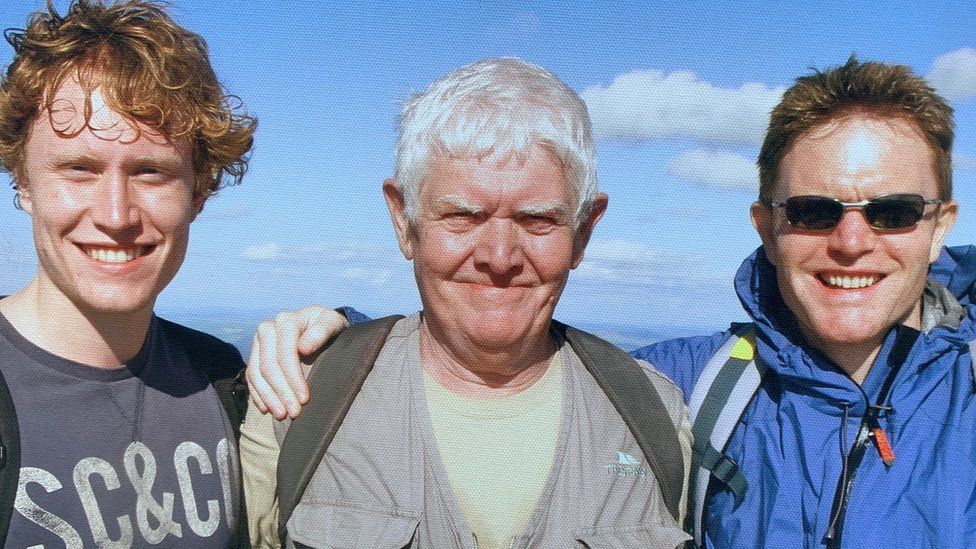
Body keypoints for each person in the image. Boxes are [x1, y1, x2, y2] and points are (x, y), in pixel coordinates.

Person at [249, 57, 976, 547]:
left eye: (893, 211)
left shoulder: (666, 406)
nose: (853, 241)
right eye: (815, 210)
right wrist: (336, 334)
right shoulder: (689, 389)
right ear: (767, 225)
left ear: (941, 224)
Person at [240, 58, 693, 549]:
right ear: (404, 220)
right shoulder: (298, 400)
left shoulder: (654, 420)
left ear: (583, 231)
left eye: (537, 220)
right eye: (462, 216)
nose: (499, 257)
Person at [0, 1, 257, 546]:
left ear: (198, 192)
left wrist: (337, 330)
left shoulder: (222, 381)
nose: (116, 215)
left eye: (151, 172)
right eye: (80, 169)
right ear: (24, 184)